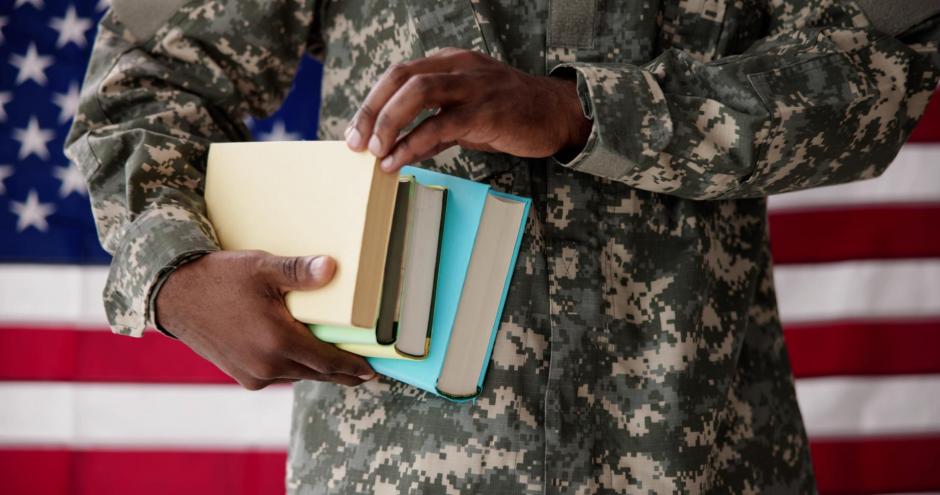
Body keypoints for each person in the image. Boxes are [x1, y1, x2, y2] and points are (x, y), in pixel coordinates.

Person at [66, 0, 939, 493]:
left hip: (695, 457)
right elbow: (141, 84)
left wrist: (582, 111)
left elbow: (880, 73)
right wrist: (170, 273)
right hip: (394, 468)